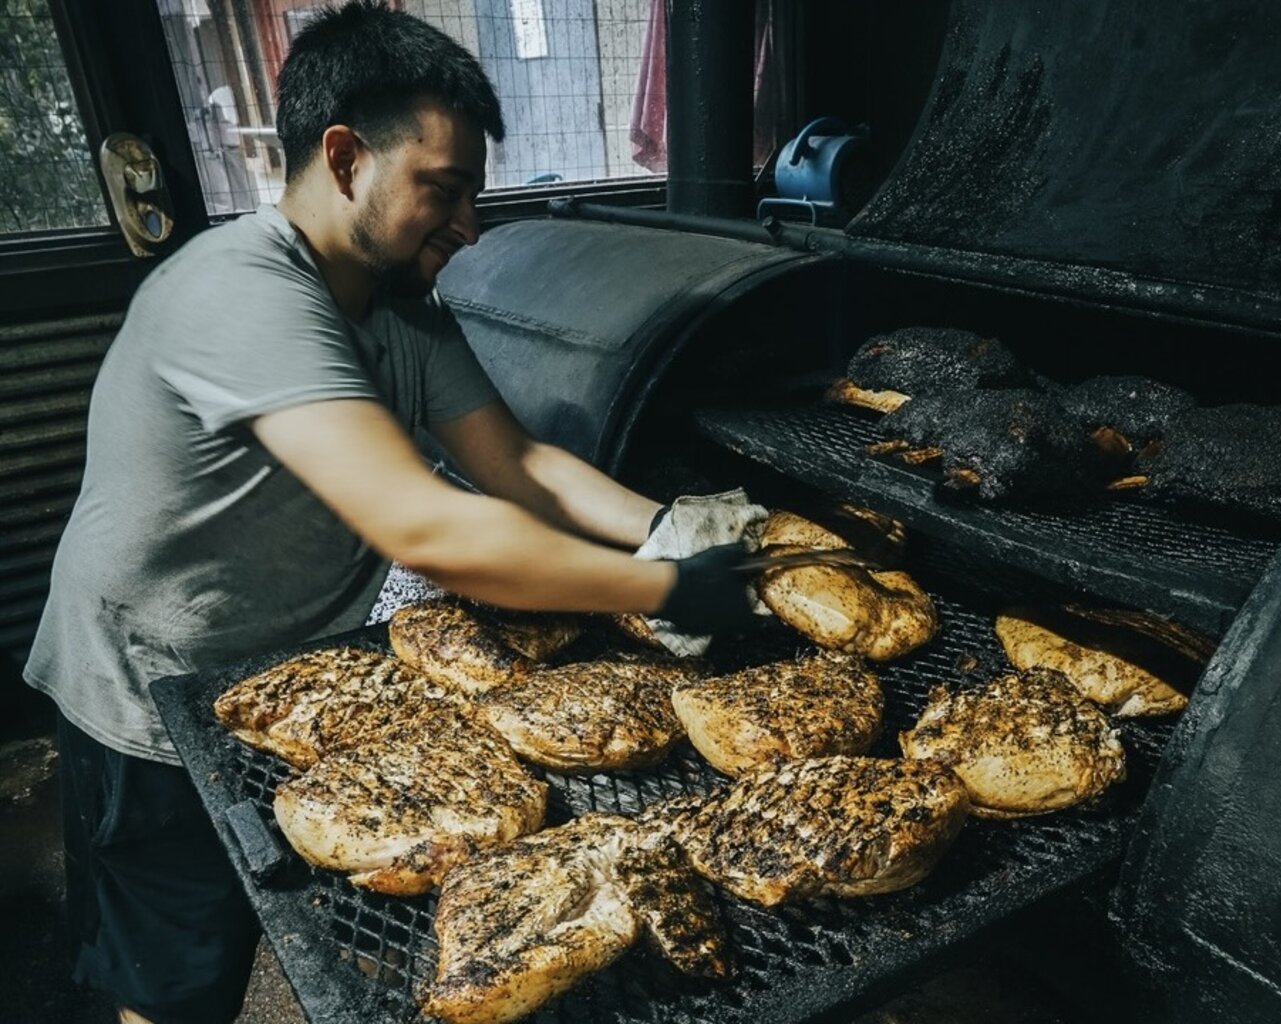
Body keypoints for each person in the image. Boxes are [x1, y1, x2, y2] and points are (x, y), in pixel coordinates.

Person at [22, 4, 756, 1022]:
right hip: (155, 685)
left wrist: (681, 529)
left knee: (326, 901)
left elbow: (520, 464)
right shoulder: (241, 293)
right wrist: (664, 587)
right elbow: (427, 528)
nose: (469, 226)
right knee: (176, 977)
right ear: (345, 158)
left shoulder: (401, 306)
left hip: (297, 669)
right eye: (443, 191)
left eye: (473, 196)